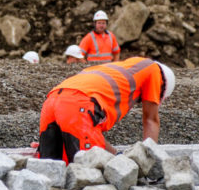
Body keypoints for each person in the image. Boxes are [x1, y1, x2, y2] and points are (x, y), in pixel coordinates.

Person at [38, 57, 175, 164]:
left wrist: (118, 156)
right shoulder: (153, 69)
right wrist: (148, 161)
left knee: (51, 171)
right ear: (162, 88)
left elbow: (92, 135)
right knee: (90, 174)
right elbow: (150, 120)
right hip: (78, 104)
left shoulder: (112, 73)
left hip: (51, 102)